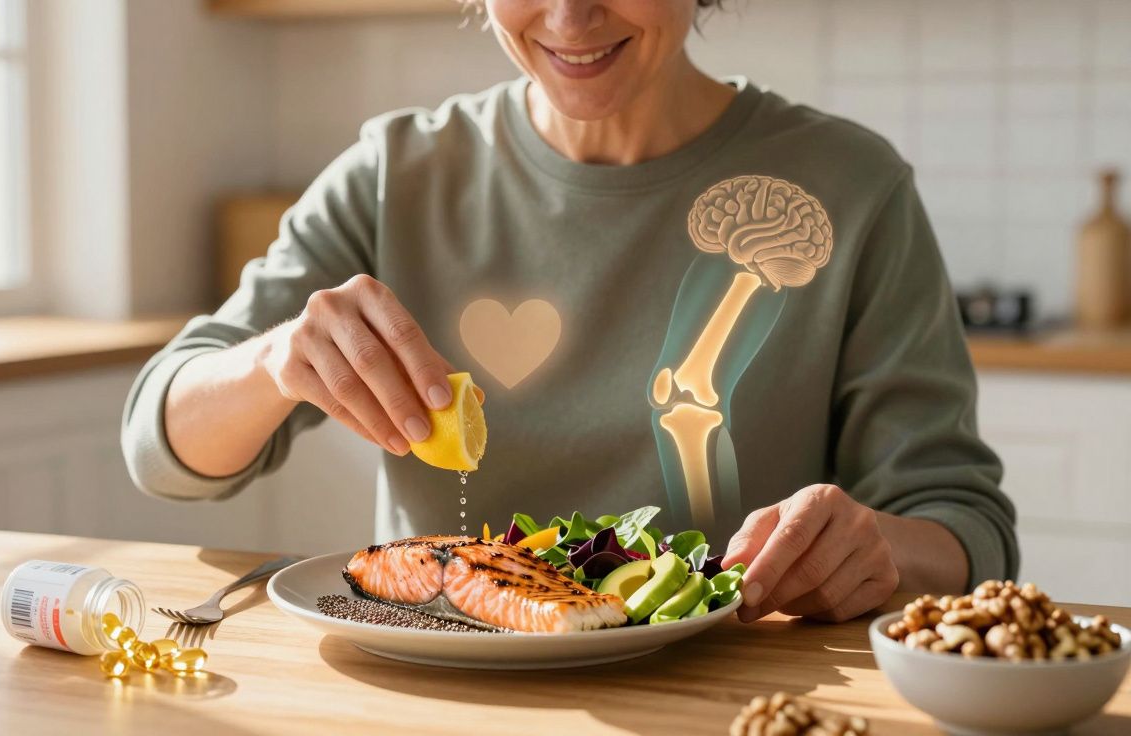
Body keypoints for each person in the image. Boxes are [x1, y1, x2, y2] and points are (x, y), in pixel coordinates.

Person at [122, 0, 1017, 624]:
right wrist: (274, 362)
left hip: (734, 693)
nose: (569, 15)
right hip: (444, 689)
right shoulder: (395, 175)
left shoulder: (852, 187)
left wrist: (877, 549)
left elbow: (966, 525)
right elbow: (163, 449)